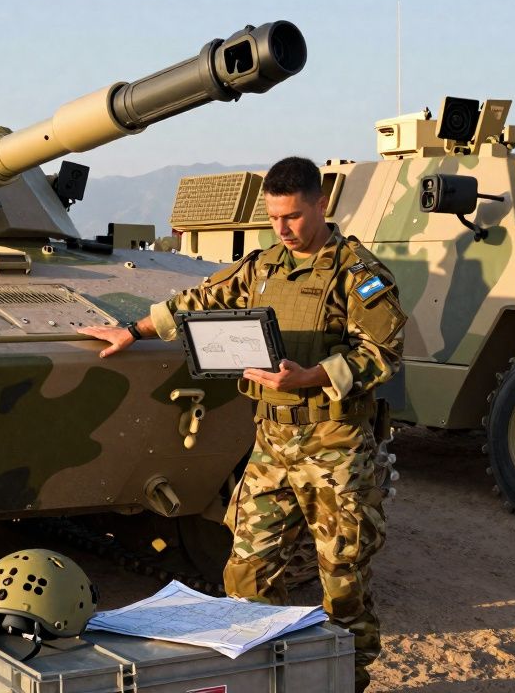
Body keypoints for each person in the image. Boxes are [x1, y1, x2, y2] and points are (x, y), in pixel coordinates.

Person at [78, 156, 405, 692]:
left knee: (343, 580)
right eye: (274, 218)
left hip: (335, 446)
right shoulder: (262, 266)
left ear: (322, 204)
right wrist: (132, 331)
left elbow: (383, 353)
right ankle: (265, 674)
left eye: (293, 216)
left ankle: (349, 679)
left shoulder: (358, 274)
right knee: (247, 572)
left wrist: (311, 376)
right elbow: (199, 300)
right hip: (271, 444)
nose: (282, 228)